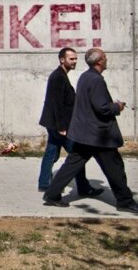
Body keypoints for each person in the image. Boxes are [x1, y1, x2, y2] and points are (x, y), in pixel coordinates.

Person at [42, 48, 138, 213]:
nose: (107, 60)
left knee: (72, 164)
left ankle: (52, 194)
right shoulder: (96, 80)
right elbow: (102, 108)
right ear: (99, 61)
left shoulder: (85, 77)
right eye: (105, 58)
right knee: (115, 169)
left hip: (85, 133)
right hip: (99, 135)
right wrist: (117, 107)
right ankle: (125, 201)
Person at [37, 48, 102, 197]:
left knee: (51, 153)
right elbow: (56, 103)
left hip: (53, 123)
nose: (75, 62)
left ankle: (44, 183)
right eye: (71, 59)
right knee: (77, 155)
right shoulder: (58, 77)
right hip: (59, 125)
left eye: (75, 59)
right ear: (62, 60)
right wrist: (61, 127)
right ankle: (83, 188)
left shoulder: (60, 75)